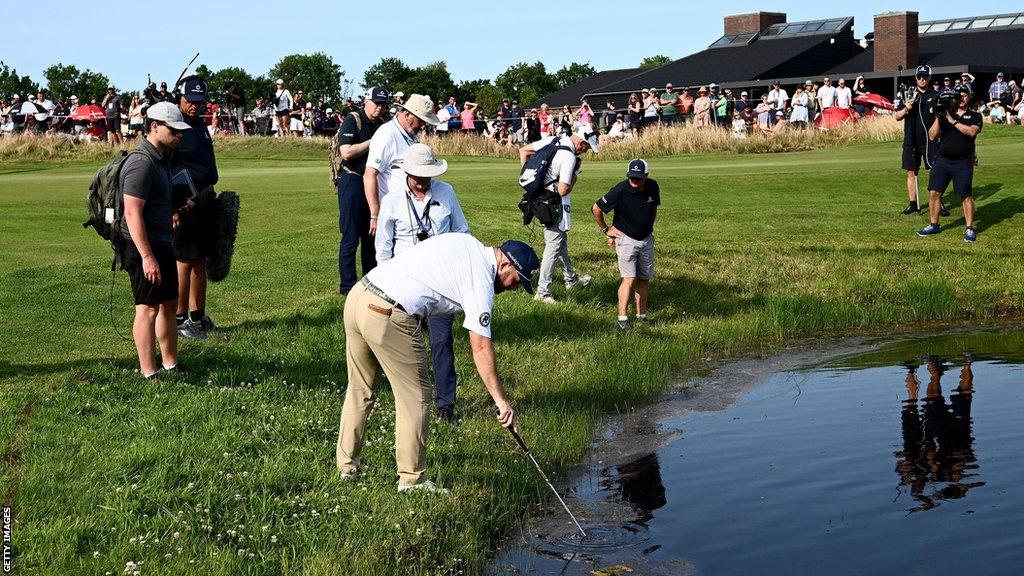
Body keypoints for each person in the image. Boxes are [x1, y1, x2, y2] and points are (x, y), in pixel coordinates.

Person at [336, 232, 540, 493]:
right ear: (504, 265)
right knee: (416, 396)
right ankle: (412, 481)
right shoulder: (481, 283)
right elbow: (479, 345)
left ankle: (347, 467)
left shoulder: (468, 242)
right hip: (388, 312)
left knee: (360, 388)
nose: (513, 288)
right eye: (516, 281)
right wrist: (501, 401)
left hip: (359, 296)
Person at [375, 144, 469, 423]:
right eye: (418, 176)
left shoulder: (446, 192)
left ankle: (445, 406)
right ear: (407, 173)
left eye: (428, 175)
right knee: (406, 345)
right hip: (405, 286)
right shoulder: (392, 200)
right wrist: (387, 283)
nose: (423, 181)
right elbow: (383, 248)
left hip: (441, 283)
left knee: (442, 343)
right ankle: (412, 402)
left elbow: (462, 230)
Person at [118, 101, 190, 378]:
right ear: (154, 127)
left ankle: (170, 363)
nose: (179, 134)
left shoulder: (161, 159)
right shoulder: (141, 163)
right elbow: (132, 213)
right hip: (142, 246)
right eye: (174, 129)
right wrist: (147, 257)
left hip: (161, 242)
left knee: (169, 303)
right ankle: (149, 372)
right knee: (147, 308)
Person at [519, 130, 599, 303]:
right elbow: (563, 190)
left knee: (560, 239)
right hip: (552, 202)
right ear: (581, 142)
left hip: (540, 199)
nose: (585, 151)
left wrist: (533, 184)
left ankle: (571, 279)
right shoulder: (569, 157)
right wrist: (574, 179)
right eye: (586, 147)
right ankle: (543, 292)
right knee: (553, 245)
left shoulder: (553, 140)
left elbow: (523, 151)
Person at [171, 76, 221, 339]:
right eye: (191, 101)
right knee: (183, 261)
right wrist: (175, 207)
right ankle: (178, 320)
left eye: (200, 102)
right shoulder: (174, 126)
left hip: (204, 198)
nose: (195, 106)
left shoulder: (199, 124)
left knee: (200, 260)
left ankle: (197, 317)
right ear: (181, 97)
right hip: (185, 201)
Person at [592, 159, 660, 330]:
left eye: (638, 178)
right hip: (626, 239)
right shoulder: (620, 190)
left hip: (646, 238)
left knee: (644, 279)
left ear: (646, 176)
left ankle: (641, 316)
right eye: (631, 177)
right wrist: (606, 230)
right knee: (629, 278)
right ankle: (622, 318)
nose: (634, 181)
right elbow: (596, 208)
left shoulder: (653, 186)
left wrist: (648, 227)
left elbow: (653, 209)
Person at [336, 86, 389, 295]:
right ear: (367, 101)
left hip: (374, 181)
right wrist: (372, 142)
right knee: (350, 235)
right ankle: (347, 287)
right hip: (352, 179)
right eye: (376, 103)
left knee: (372, 235)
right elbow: (346, 152)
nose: (379, 108)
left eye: (383, 104)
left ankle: (370, 282)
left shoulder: (383, 125)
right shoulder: (353, 119)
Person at [364, 94, 439, 235]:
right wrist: (375, 214)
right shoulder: (387, 134)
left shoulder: (411, 135)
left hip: (410, 210)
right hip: (394, 211)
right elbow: (369, 174)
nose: (423, 126)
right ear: (406, 114)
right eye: (420, 120)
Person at [917, 85, 982, 243]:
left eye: (965, 95)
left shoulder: (974, 115)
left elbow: (972, 132)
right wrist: (940, 118)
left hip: (963, 161)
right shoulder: (946, 113)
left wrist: (952, 121)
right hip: (943, 160)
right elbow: (932, 136)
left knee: (965, 195)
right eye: (959, 95)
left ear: (969, 96)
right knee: (934, 192)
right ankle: (934, 225)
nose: (961, 98)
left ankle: (969, 228)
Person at [895, 65, 941, 216]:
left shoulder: (935, 95)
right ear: (916, 77)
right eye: (919, 77)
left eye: (925, 77)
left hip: (930, 140)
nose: (922, 79)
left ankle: (937, 202)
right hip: (911, 139)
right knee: (911, 171)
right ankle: (913, 203)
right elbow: (897, 116)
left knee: (935, 171)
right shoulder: (907, 93)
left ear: (929, 78)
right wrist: (907, 107)